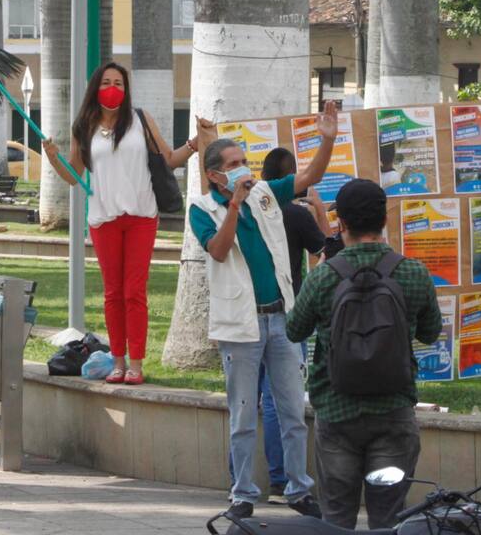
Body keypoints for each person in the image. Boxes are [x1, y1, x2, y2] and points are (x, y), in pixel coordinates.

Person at [189, 101, 340, 520]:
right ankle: (242, 493)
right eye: (233, 164)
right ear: (215, 174)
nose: (242, 169)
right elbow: (218, 251)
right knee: (243, 414)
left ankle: (298, 488)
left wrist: (327, 140)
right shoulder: (202, 208)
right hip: (241, 324)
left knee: (292, 412)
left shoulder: (266, 192)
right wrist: (234, 206)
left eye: (244, 161)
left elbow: (309, 178)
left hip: (282, 319)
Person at [287, 179, 442, 530]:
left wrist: (320, 270)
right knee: (388, 518)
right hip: (393, 412)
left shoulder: (324, 276)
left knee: (336, 519)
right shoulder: (413, 272)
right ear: (384, 220)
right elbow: (430, 333)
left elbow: (295, 330)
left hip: (336, 412)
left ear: (341, 223)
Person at [43, 61, 198, 384]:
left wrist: (195, 143)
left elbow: (169, 159)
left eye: (118, 83)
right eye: (106, 82)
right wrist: (53, 157)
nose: (112, 88)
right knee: (113, 293)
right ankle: (118, 361)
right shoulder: (83, 126)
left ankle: (136, 365)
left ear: (126, 90)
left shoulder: (140, 120)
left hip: (142, 216)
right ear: (95, 88)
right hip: (104, 219)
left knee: (134, 292)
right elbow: (73, 176)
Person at [252, 147, 331, 498]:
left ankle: (247, 481)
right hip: (287, 314)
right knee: (279, 398)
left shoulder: (251, 208)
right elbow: (328, 251)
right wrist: (321, 212)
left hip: (248, 314)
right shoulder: (296, 215)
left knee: (244, 402)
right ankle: (282, 479)